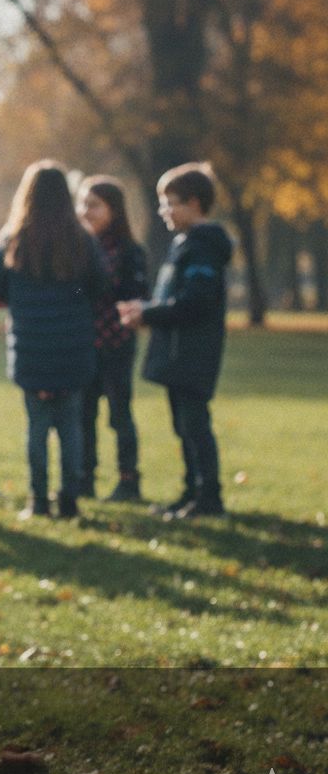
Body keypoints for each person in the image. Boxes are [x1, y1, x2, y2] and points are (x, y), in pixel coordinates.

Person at [0, 160, 104, 520]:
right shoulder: (81, 239)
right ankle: (69, 500)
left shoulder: (13, 239)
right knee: (71, 428)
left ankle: (38, 500)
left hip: (31, 347)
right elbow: (99, 285)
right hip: (72, 346)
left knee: (36, 428)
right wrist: (73, 297)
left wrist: (27, 298)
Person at [118, 162, 233, 519]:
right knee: (183, 427)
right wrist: (146, 309)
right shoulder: (184, 244)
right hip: (175, 352)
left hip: (191, 353)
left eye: (170, 203)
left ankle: (209, 498)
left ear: (194, 203)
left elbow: (195, 302)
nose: (163, 211)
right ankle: (191, 492)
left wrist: (148, 314)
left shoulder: (203, 247)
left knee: (195, 426)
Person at [76, 175, 150, 502]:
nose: (85, 211)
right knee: (83, 415)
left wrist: (100, 284)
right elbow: (75, 293)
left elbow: (135, 294)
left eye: (93, 205)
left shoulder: (129, 251)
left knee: (120, 414)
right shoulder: (78, 248)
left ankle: (128, 480)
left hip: (117, 344)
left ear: (113, 209)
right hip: (84, 344)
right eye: (83, 204)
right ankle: (84, 478)